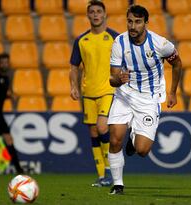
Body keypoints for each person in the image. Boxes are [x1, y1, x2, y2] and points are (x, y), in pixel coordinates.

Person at [107, 5, 183, 195]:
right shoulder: (119, 43)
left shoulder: (160, 44)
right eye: (130, 21)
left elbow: (177, 63)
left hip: (148, 100)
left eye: (138, 22)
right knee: (115, 138)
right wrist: (118, 80)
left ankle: (133, 138)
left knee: (142, 150)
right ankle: (118, 185)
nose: (133, 26)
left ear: (146, 24)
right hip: (124, 95)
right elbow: (112, 78)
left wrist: (172, 92)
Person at [69, 0, 119, 187]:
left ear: (105, 14)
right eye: (92, 12)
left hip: (108, 91)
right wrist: (73, 86)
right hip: (88, 93)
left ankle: (109, 172)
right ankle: (102, 176)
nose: (96, 14)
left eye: (99, 11)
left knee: (102, 127)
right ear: (88, 15)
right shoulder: (81, 40)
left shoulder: (115, 37)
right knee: (93, 132)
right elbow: (74, 66)